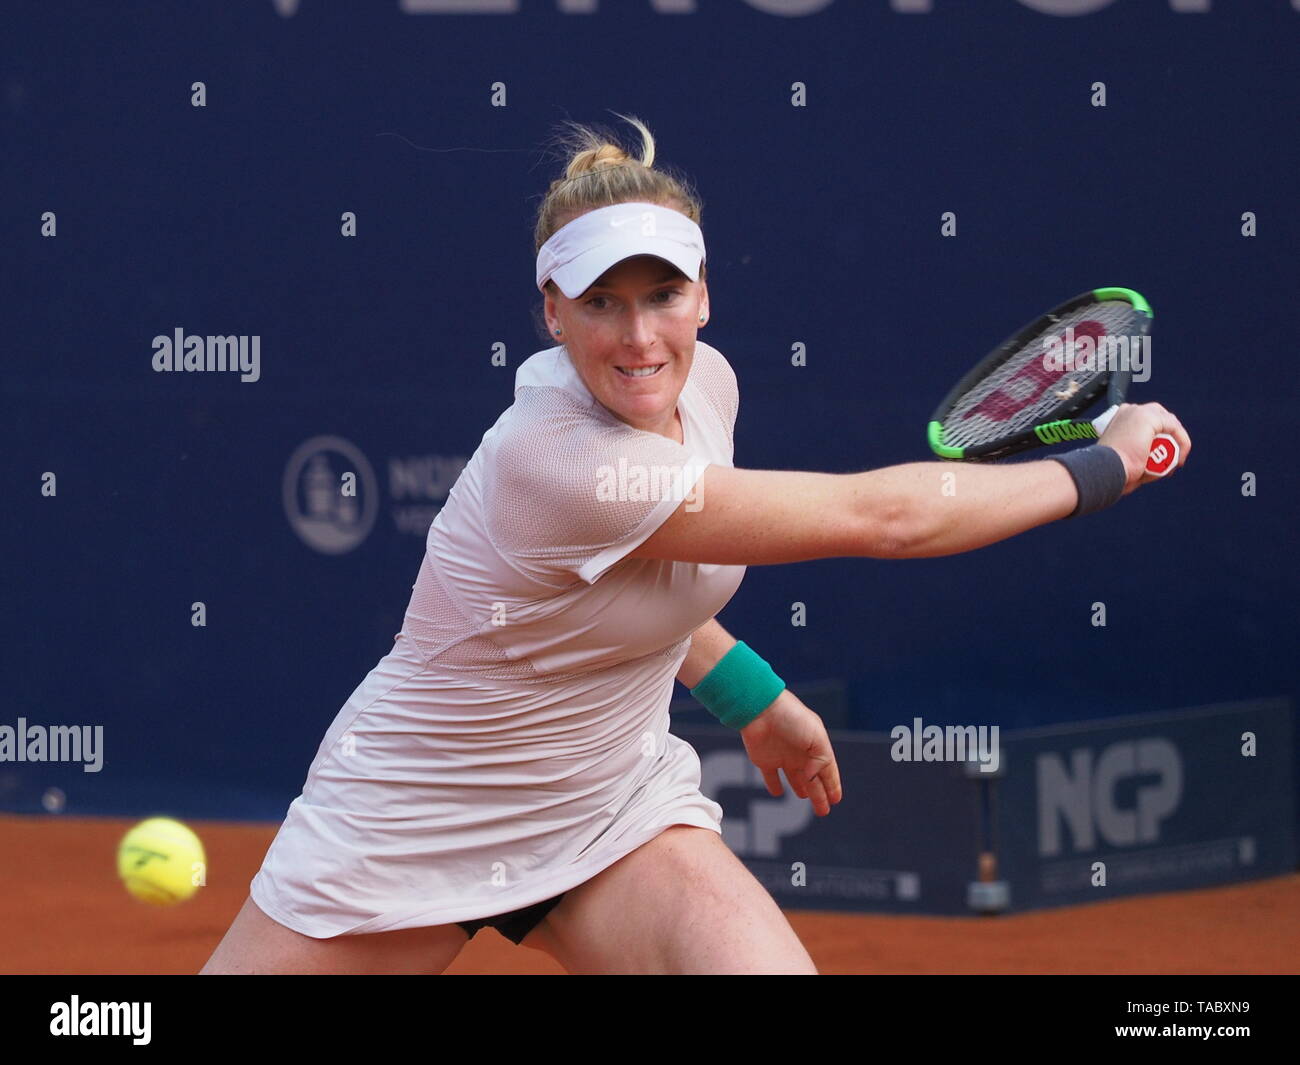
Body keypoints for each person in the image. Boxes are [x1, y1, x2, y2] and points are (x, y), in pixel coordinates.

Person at [200, 113, 1190, 976]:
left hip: (608, 809)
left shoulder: (704, 384)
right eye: (600, 303)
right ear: (550, 313)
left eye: (661, 296)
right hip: (413, 819)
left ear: (703, 295)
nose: (638, 337)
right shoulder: (559, 461)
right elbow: (880, 519)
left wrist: (746, 692)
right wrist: (1108, 467)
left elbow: (633, 582)